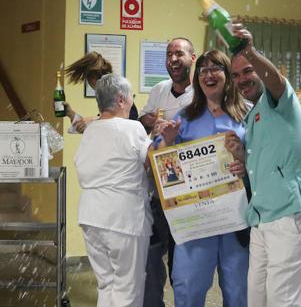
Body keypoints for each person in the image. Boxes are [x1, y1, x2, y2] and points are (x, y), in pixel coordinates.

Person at [227, 24, 301, 307]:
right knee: (256, 296)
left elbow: (276, 81)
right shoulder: (254, 114)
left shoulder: (281, 100)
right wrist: (242, 156)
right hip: (261, 216)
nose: (242, 79)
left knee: (282, 297)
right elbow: (269, 160)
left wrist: (249, 52)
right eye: (236, 75)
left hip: (290, 211)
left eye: (248, 71)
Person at [158, 50, 249, 307]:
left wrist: (245, 163)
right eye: (203, 70)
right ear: (197, 78)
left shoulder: (247, 114)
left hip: (237, 220)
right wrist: (168, 140)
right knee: (188, 286)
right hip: (196, 221)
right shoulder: (184, 118)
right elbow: (158, 160)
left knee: (239, 288)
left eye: (215, 68)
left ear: (228, 75)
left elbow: (261, 159)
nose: (208, 75)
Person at [74, 74, 152, 307]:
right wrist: (161, 137)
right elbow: (152, 162)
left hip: (91, 217)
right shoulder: (132, 128)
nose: (131, 102)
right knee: (128, 289)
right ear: (120, 100)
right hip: (124, 220)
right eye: (131, 97)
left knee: (106, 285)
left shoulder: (90, 130)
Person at [138, 37, 195, 307]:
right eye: (169, 54)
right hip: (158, 188)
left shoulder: (201, 94)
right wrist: (151, 122)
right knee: (151, 260)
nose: (173, 59)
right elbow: (143, 120)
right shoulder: (160, 89)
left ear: (192, 58)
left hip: (188, 191)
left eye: (179, 54)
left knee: (182, 264)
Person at [64, 52, 138, 133]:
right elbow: (92, 125)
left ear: (92, 78)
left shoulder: (117, 92)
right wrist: (71, 113)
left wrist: (95, 120)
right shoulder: (106, 95)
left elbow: (125, 123)